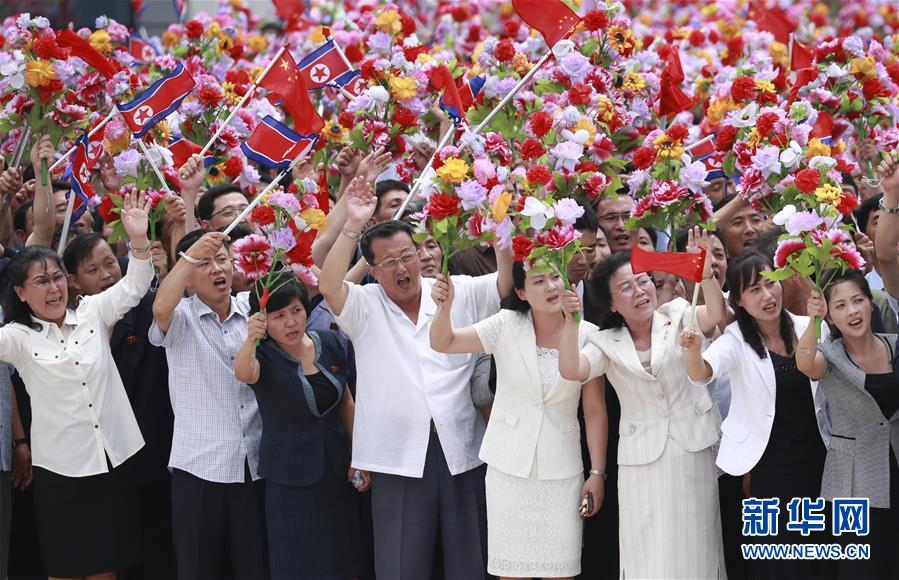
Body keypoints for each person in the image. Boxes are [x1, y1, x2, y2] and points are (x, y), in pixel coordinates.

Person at [318, 177, 511, 579]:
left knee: (471, 561)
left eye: (407, 255)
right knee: (401, 565)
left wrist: (502, 232)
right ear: (372, 269)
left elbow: (504, 285)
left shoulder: (455, 289)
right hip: (398, 456)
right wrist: (353, 223)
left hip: (460, 447)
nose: (401, 267)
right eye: (388, 262)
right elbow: (329, 284)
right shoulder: (365, 305)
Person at [0, 182, 154, 579]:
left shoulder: (91, 312)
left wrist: (138, 239)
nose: (52, 288)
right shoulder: (18, 338)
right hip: (61, 472)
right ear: (20, 292)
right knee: (66, 570)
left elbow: (136, 286)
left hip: (110, 461)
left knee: (107, 570)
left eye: (56, 278)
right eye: (40, 281)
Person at [559, 228, 726, 579]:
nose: (640, 291)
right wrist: (569, 322)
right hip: (640, 457)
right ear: (611, 304)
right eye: (626, 288)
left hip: (690, 446)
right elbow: (573, 370)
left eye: (644, 281)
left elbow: (715, 313)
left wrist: (706, 274)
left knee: (696, 544)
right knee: (645, 549)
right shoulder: (606, 342)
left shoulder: (678, 312)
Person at [430, 261, 607, 579]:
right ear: (522, 292)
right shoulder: (506, 323)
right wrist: (444, 309)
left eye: (556, 277)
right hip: (508, 470)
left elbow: (594, 411)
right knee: (511, 574)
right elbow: (444, 342)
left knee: (562, 572)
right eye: (539, 281)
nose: (552, 286)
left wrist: (597, 472)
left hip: (562, 471)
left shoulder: (590, 334)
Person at [681, 252, 831, 579]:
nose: (767, 296)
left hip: (819, 461)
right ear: (738, 301)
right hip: (769, 469)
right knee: (777, 560)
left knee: (821, 559)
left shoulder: (810, 325)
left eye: (770, 284)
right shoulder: (736, 339)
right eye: (754, 290)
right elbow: (702, 372)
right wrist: (693, 351)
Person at [149, 227, 266, 580]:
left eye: (222, 260)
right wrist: (187, 255)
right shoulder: (180, 314)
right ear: (186, 276)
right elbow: (159, 306)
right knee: (199, 569)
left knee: (256, 568)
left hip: (255, 464)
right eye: (204, 263)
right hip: (200, 468)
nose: (217, 269)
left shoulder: (253, 307)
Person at [234, 276, 367, 579]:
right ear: (263, 321)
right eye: (278, 316)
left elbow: (347, 402)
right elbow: (243, 373)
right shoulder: (262, 355)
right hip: (289, 481)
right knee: (299, 563)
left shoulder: (329, 341)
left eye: (295, 310)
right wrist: (250, 339)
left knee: (345, 558)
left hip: (337, 470)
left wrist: (359, 455)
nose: (290, 322)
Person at [62, 232, 176, 580]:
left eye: (109, 262)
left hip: (154, 452)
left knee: (159, 552)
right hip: (100, 464)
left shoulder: (146, 309)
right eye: (92, 270)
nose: (106, 274)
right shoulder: (68, 327)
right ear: (74, 281)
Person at [797, 272, 899, 579]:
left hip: (895, 465)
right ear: (829, 315)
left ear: (871, 304)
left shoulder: (895, 345)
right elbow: (804, 362)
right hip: (853, 483)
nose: (852, 311)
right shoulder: (829, 356)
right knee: (861, 569)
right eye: (840, 305)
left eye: (858, 301)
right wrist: (813, 322)